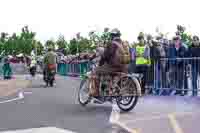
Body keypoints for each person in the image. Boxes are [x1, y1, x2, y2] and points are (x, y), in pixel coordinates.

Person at [89, 28, 130, 97]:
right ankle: (110, 89)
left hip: (113, 67)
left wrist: (100, 64)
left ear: (112, 35)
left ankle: (96, 92)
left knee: (96, 71)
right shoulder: (123, 43)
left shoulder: (112, 43)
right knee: (109, 74)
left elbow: (105, 56)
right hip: (124, 67)